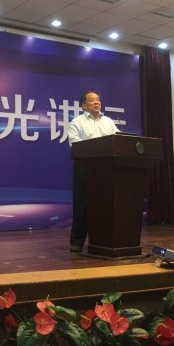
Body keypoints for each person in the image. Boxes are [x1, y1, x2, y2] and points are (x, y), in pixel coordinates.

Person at [67, 91, 119, 253]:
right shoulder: (77, 122)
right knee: (82, 205)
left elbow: (118, 140)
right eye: (92, 100)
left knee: (106, 204)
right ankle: (77, 241)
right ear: (83, 105)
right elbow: (75, 144)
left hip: (107, 168)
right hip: (85, 167)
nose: (97, 102)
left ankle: (103, 240)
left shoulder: (108, 121)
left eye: (98, 100)